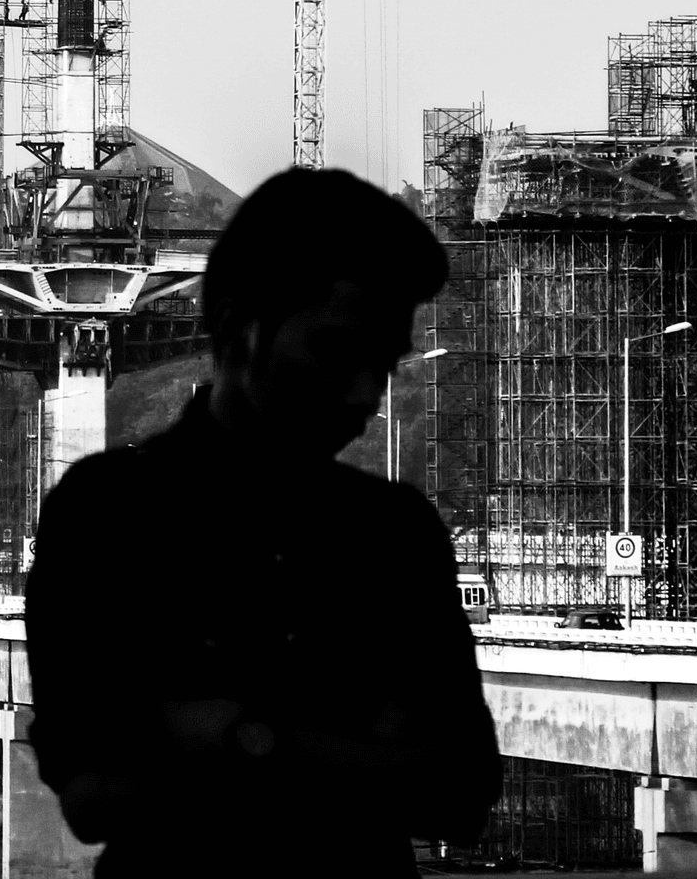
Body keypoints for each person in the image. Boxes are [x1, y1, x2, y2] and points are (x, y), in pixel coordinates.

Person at [25, 166, 501, 878]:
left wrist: (232, 732)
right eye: (337, 352)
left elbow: (462, 791)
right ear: (239, 328)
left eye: (383, 364)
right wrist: (357, 742)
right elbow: (93, 795)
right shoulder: (107, 514)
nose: (364, 392)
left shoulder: (395, 530)